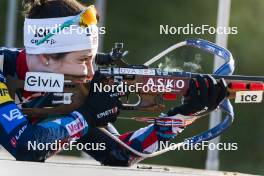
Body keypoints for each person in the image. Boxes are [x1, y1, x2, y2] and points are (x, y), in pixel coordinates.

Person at [0, 0, 228, 166]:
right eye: (83, 60)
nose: (90, 72)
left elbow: (119, 154)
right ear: (45, 58)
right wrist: (86, 115)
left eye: (93, 58)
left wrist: (184, 114)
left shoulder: (69, 87)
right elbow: (27, 147)